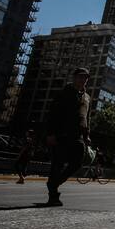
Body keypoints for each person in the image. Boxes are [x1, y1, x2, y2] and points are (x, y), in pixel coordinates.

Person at [45, 67, 92, 206]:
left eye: (85, 78)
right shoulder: (64, 93)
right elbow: (52, 114)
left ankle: (53, 183)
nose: (82, 80)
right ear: (74, 78)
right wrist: (50, 134)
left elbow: (86, 118)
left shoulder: (87, 97)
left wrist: (87, 135)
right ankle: (53, 195)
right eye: (80, 77)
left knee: (77, 162)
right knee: (57, 164)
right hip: (62, 134)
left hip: (78, 136)